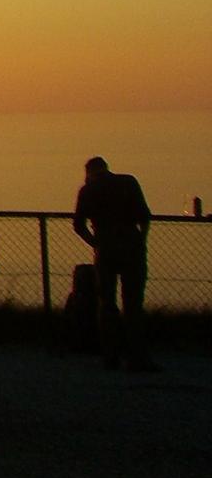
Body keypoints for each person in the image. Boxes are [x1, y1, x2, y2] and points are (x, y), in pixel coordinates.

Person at [73, 156, 154, 370]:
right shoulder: (129, 182)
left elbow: (78, 225)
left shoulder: (88, 190)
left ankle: (110, 355)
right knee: (133, 304)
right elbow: (145, 217)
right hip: (132, 245)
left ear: (89, 172)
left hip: (106, 247)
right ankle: (137, 357)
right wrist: (141, 241)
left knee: (107, 303)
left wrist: (95, 243)